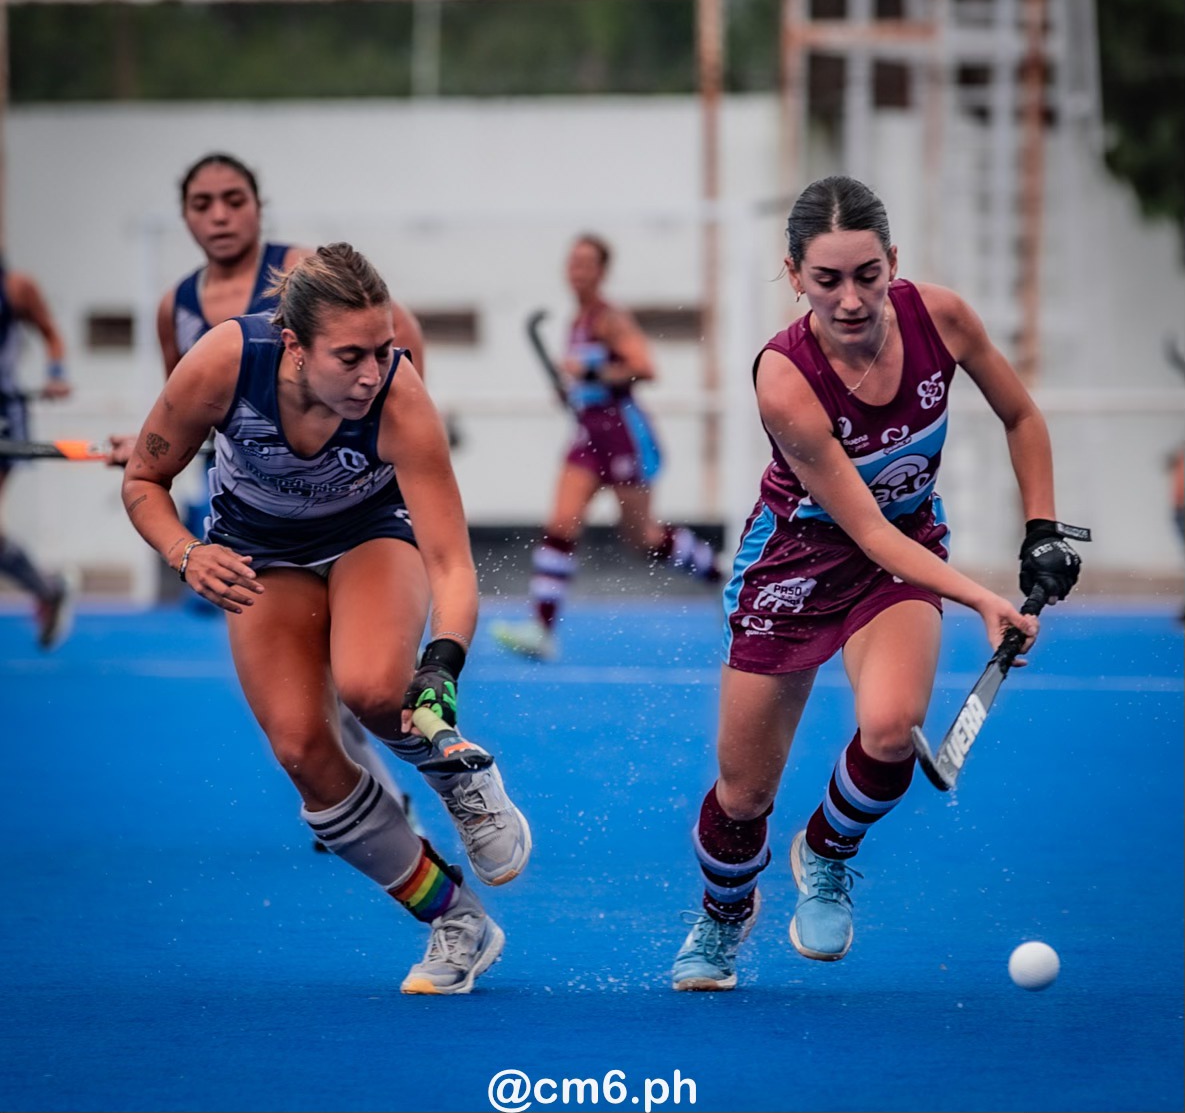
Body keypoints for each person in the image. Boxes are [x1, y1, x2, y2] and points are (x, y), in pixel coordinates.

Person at [670, 175, 1089, 991]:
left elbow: (1021, 416)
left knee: (893, 728)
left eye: (867, 274)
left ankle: (825, 852)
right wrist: (978, 596)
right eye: (826, 280)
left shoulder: (942, 318)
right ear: (793, 276)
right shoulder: (784, 378)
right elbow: (859, 527)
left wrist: (1040, 528)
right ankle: (723, 915)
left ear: (891, 261)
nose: (851, 298)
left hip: (900, 554)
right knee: (743, 791)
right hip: (794, 565)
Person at [121, 243, 530, 993]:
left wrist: (441, 665)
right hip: (258, 551)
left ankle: (460, 778)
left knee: (376, 688)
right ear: (294, 347)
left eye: (384, 350)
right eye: (351, 356)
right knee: (303, 751)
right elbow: (144, 478)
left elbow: (451, 565)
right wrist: (185, 553)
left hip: (370, 534)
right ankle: (457, 919)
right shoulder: (221, 364)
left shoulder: (398, 400)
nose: (372, 373)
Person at [108, 152, 425, 839]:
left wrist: (397, 421)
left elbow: (396, 341)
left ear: (257, 206)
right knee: (307, 719)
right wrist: (147, 446)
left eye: (233, 199)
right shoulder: (180, 309)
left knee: (364, 680)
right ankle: (381, 805)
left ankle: (417, 787)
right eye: (201, 203)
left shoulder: (305, 272)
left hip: (355, 510)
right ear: (186, 215)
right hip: (259, 518)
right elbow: (189, 406)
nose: (219, 216)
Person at [492, 233, 722, 661]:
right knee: (561, 524)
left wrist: (591, 374)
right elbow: (586, 381)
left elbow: (643, 368)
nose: (577, 270)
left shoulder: (609, 319)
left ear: (601, 271)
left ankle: (723, 579)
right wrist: (574, 391)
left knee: (643, 537)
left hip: (621, 434)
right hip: (587, 434)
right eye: (572, 262)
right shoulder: (575, 322)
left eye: (586, 263)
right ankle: (542, 630)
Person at [0, 259, 73, 649]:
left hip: (3, 414)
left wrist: (57, 375)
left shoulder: (15, 287)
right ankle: (46, 588)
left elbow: (50, 333)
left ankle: (48, 589)